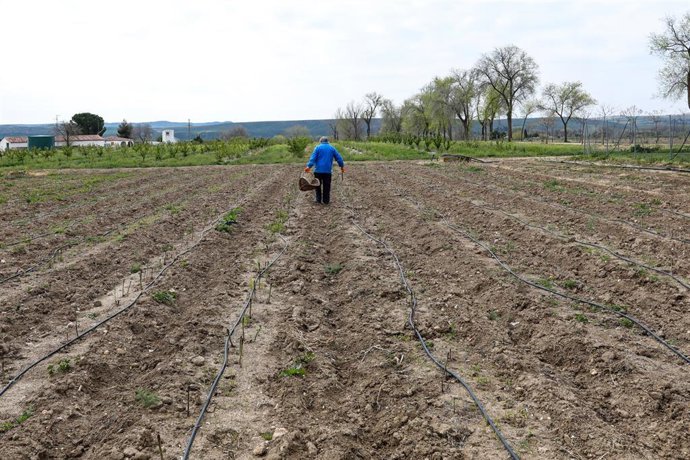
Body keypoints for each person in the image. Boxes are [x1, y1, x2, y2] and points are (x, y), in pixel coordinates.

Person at [304, 136, 345, 204]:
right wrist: (342, 166)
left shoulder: (317, 148)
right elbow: (339, 158)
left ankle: (318, 200)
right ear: (327, 141)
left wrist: (308, 167)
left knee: (317, 185)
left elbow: (312, 159)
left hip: (318, 171)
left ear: (321, 141)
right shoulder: (332, 148)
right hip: (327, 171)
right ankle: (326, 201)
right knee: (327, 186)